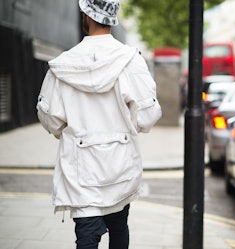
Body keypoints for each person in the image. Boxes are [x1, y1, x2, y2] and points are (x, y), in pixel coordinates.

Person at [36, 0, 162, 248]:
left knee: (86, 236)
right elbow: (147, 117)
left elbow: (50, 120)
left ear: (86, 14)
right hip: (120, 168)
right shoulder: (130, 60)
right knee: (119, 227)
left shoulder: (63, 65)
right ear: (113, 17)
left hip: (81, 170)